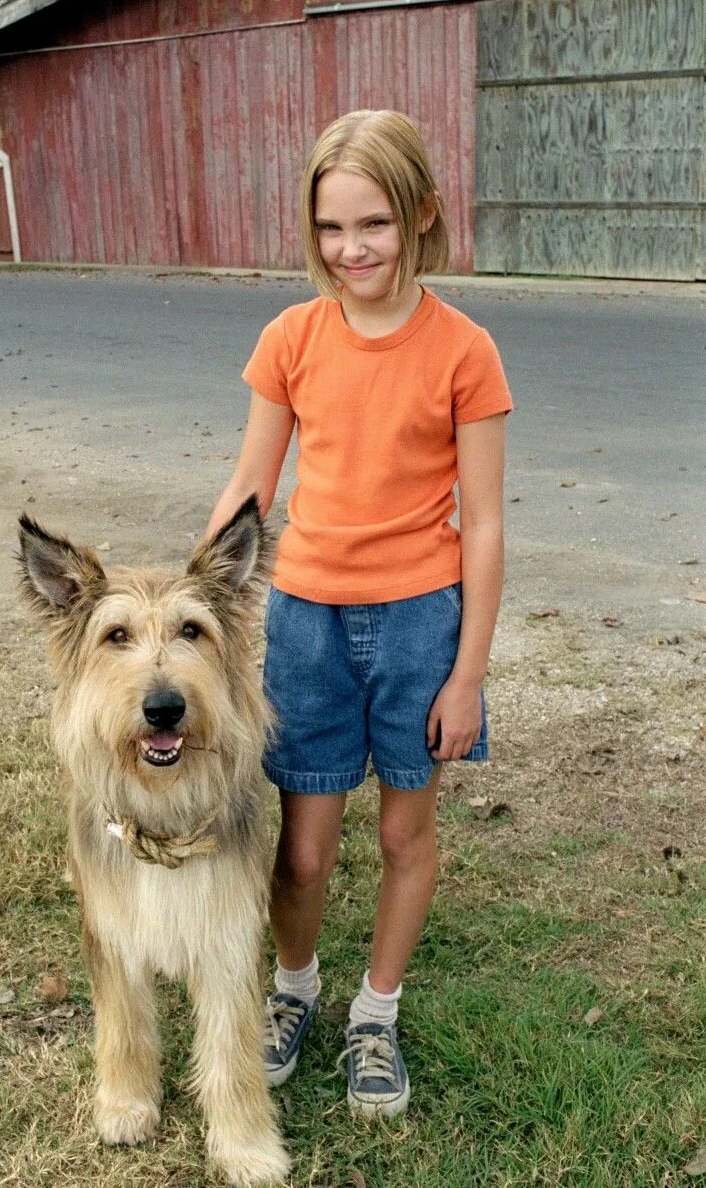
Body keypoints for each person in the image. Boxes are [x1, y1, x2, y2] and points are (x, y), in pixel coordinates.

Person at [206, 109, 513, 1118]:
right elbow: (249, 487)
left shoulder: (465, 351)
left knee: (402, 836)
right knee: (303, 847)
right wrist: (195, 608)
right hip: (306, 622)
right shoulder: (291, 337)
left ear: (422, 215)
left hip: (421, 624)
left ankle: (374, 1013)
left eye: (373, 225)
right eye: (331, 229)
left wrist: (466, 674)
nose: (351, 251)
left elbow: (485, 527)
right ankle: (293, 991)